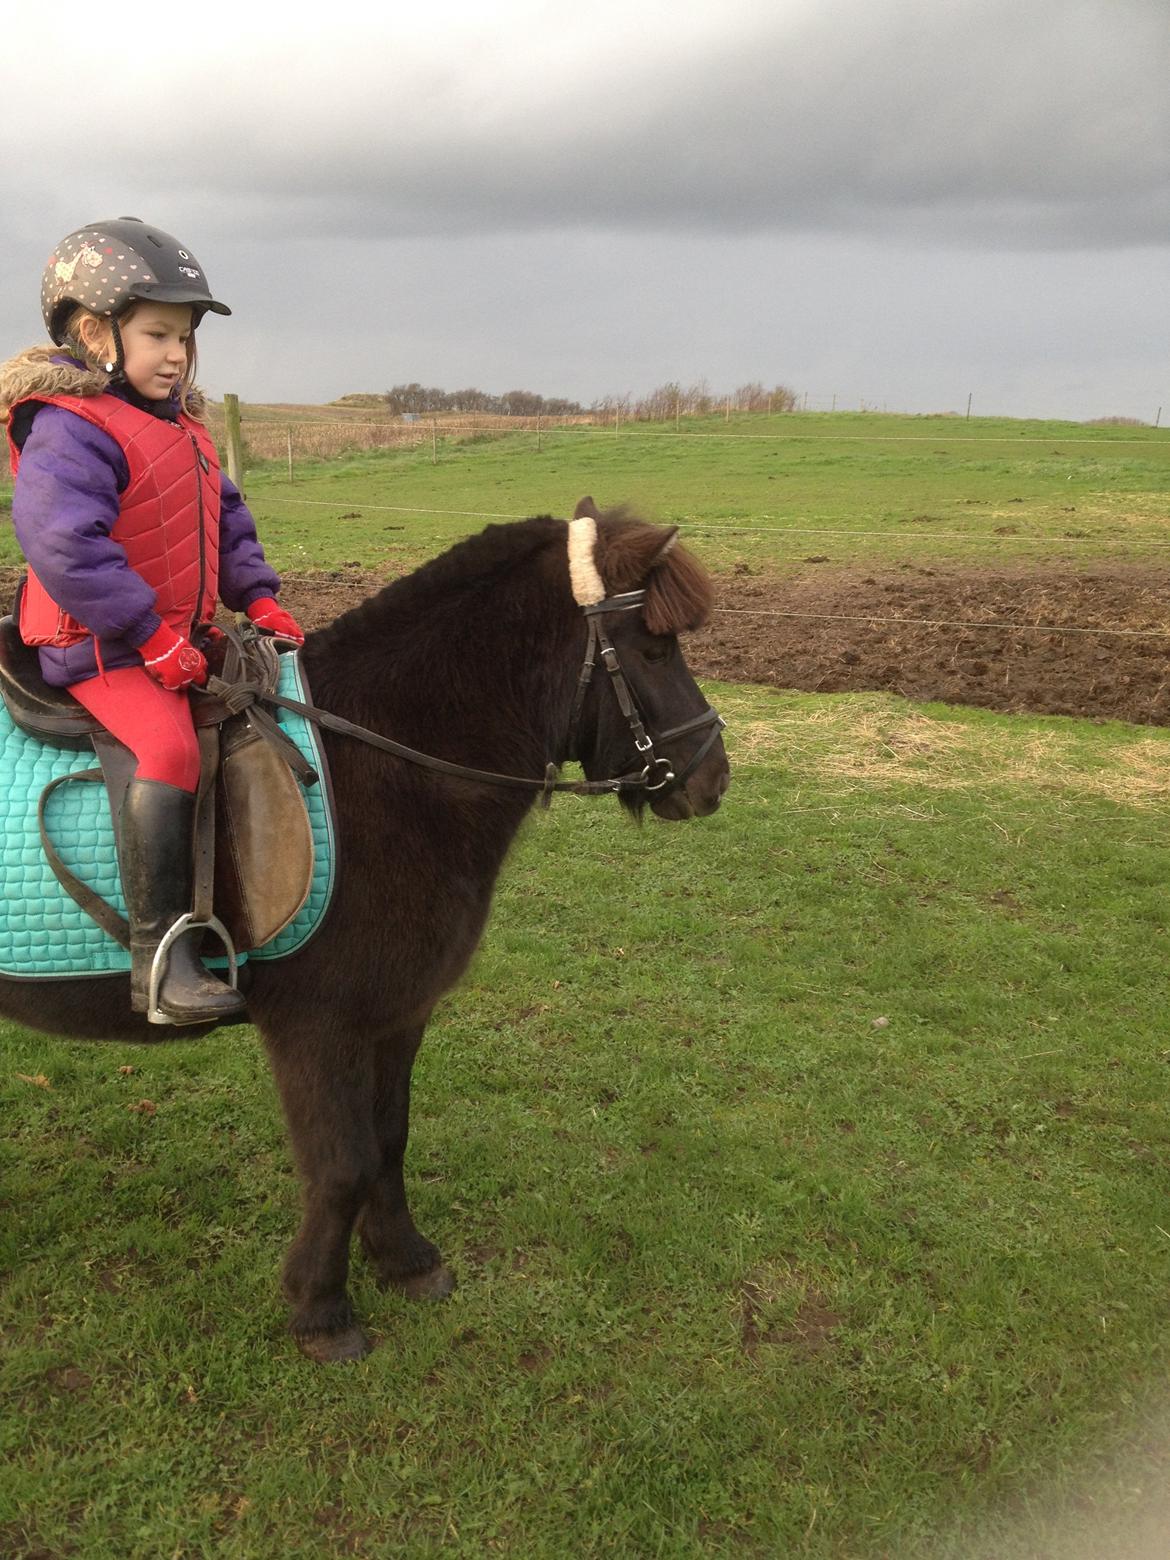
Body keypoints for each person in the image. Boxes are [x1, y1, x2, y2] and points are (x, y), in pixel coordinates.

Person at [0, 217, 305, 1025]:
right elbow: (67, 548)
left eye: (184, 337)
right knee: (168, 748)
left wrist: (258, 595)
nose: (177, 354)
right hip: (97, 641)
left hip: (171, 632)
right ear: (95, 333)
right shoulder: (68, 426)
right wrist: (148, 636)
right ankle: (161, 961)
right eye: (157, 335)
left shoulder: (178, 422)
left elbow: (223, 520)